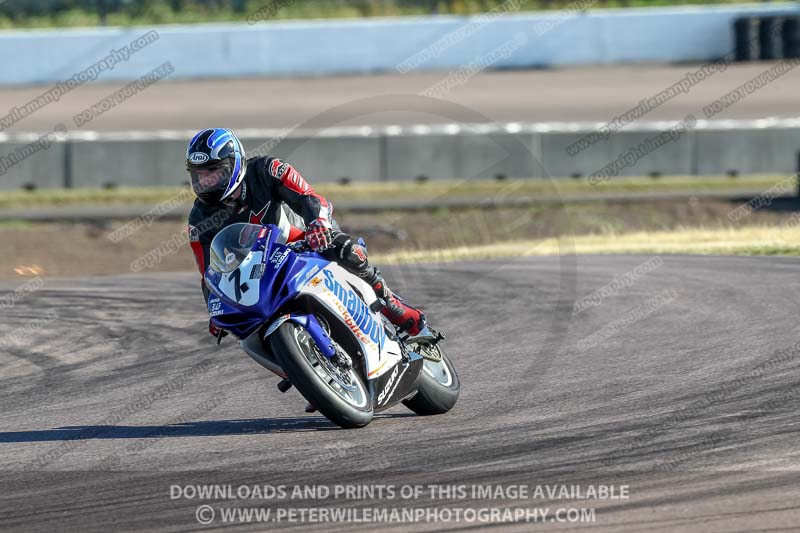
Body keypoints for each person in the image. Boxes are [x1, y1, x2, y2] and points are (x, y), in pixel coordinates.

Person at [186, 128, 426, 339]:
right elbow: (209, 273)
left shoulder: (268, 169)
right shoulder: (198, 220)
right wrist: (215, 308)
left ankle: (392, 305)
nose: (206, 181)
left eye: (214, 172)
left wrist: (318, 225)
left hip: (304, 238)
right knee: (243, 327)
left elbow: (309, 198)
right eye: (200, 175)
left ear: (235, 163)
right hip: (259, 269)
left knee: (348, 251)